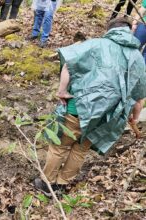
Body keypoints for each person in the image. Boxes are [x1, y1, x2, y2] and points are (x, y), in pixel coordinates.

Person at [34, 17, 146, 197]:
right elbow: (139, 98)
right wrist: (134, 118)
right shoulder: (138, 58)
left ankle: (47, 184)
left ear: (109, 29)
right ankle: (62, 185)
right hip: (105, 119)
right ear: (130, 32)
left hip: (77, 109)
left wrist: (61, 91)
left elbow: (68, 65)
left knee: (59, 146)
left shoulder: (95, 44)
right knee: (80, 150)